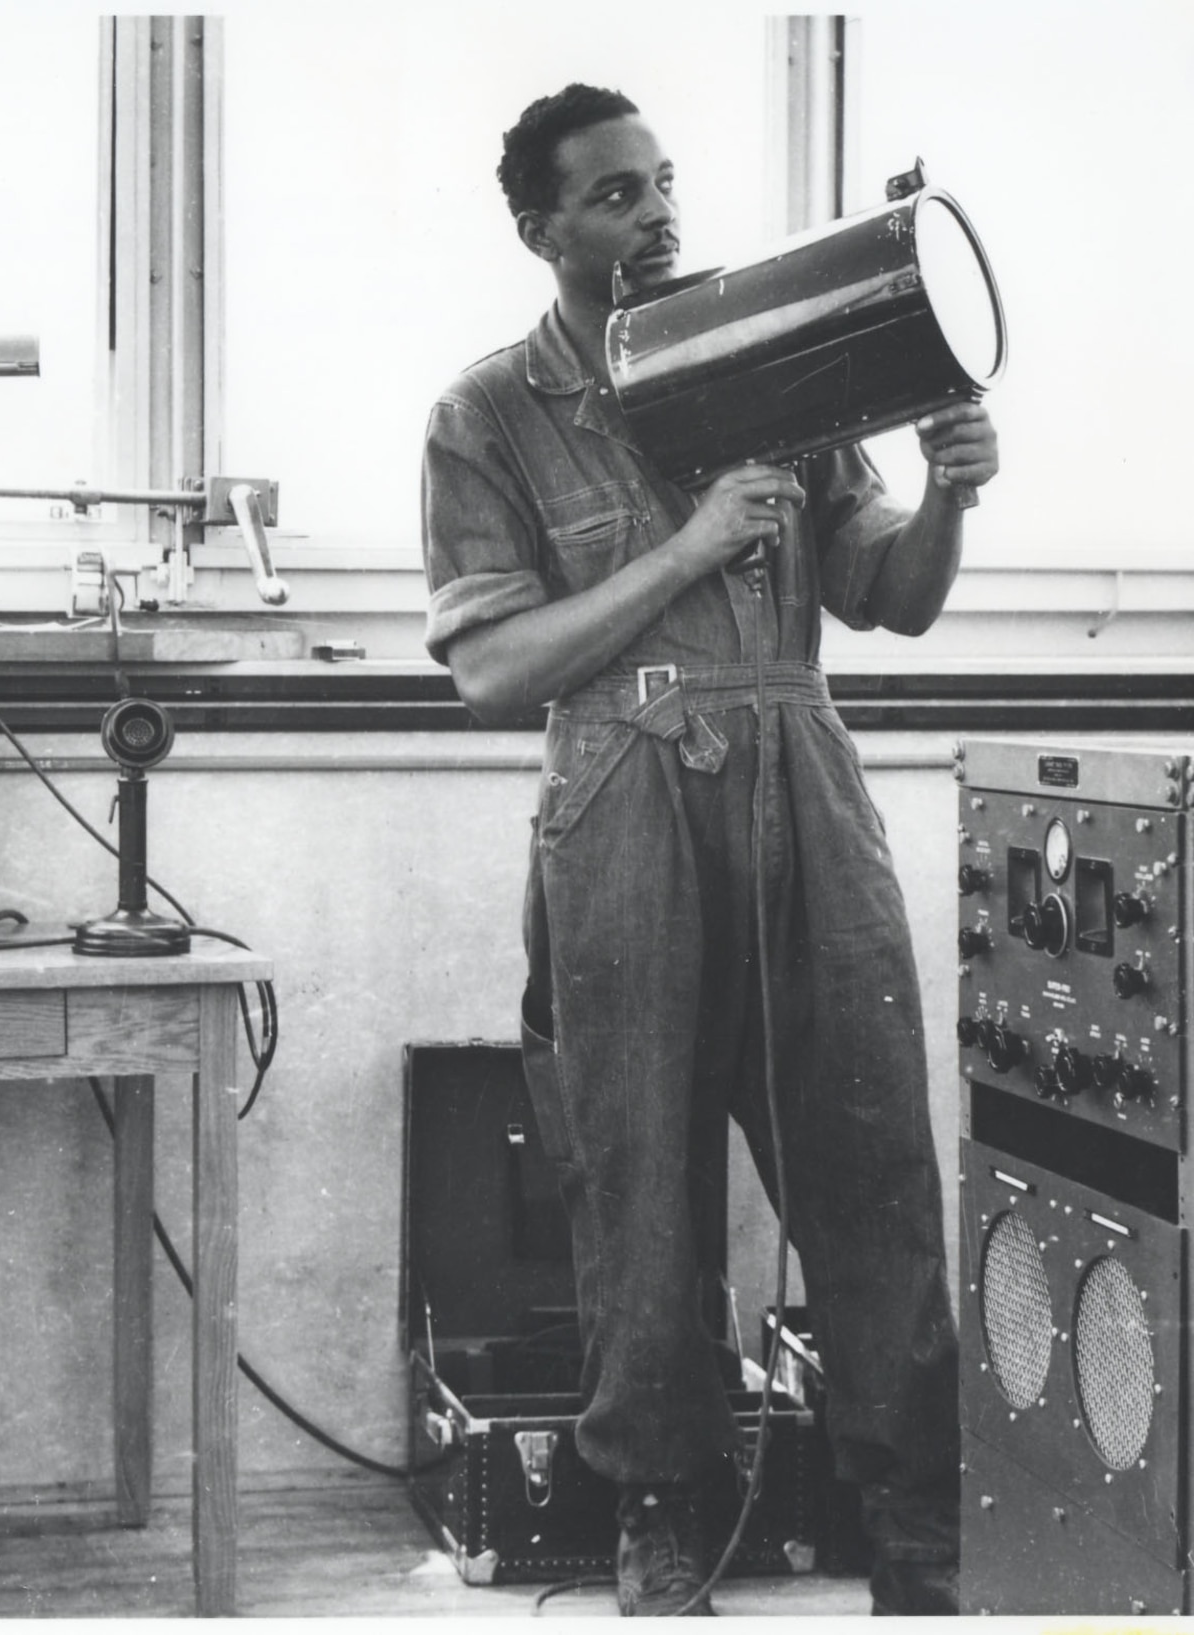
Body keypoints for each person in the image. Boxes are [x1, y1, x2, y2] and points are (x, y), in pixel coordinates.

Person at [421, 85, 997, 1617]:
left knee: (870, 1156)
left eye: (663, 184)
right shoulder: (488, 415)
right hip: (621, 796)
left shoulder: (775, 369)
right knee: (639, 1173)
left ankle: (913, 1514)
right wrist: (684, 553)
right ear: (542, 230)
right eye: (612, 196)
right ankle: (661, 1506)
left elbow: (893, 596)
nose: (655, 214)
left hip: (801, 773)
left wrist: (947, 488)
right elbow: (491, 671)